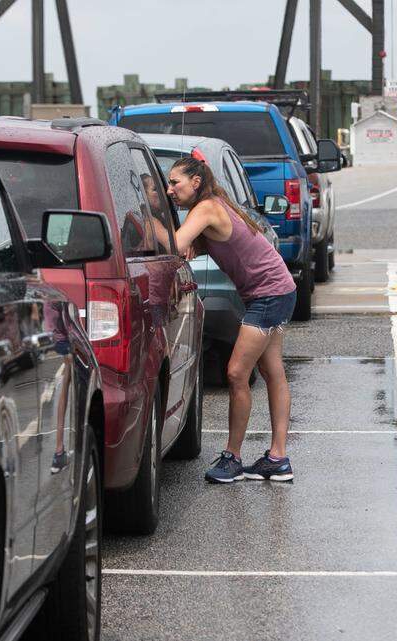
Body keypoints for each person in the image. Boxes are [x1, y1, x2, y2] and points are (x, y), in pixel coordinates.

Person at [165, 156, 297, 484]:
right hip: (276, 289)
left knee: (237, 373)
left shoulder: (206, 208)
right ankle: (278, 459)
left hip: (269, 294)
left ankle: (233, 458)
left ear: (196, 182)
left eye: (174, 182)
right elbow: (197, 245)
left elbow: (174, 245)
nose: (170, 190)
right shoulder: (211, 205)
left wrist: (143, 220)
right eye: (167, 184)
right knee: (271, 370)